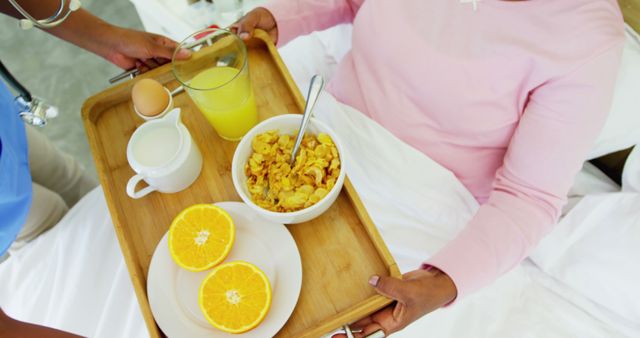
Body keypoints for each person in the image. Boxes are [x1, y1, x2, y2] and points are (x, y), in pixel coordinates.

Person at [233, 1, 625, 336]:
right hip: (323, 138)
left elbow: (529, 197)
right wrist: (281, 17)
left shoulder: (586, 37)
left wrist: (444, 281)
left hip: (423, 200)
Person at [0, 1, 190, 335]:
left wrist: (108, 39)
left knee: (73, 184)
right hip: (10, 211)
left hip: (5, 127)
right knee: (46, 226)